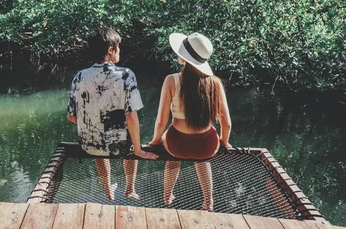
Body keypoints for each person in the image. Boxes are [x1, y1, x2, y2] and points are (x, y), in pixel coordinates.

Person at [67, 27, 158, 201]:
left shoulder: (79, 77)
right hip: (121, 147)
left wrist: (95, 125)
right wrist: (139, 150)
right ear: (110, 50)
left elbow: (71, 117)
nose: (120, 50)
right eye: (118, 47)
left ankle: (108, 190)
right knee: (131, 134)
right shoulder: (126, 75)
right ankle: (130, 188)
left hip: (89, 145)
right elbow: (132, 118)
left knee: (97, 135)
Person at [148, 32, 232, 210]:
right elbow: (227, 123)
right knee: (202, 160)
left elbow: (162, 121)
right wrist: (224, 141)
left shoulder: (171, 80)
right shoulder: (215, 83)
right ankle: (208, 200)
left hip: (176, 145)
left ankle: (167, 194)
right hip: (206, 146)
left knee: (172, 155)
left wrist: (155, 141)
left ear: (183, 57)